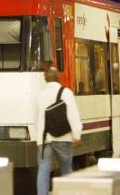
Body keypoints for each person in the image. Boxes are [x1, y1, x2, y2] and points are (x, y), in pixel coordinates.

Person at [36, 66, 82, 195]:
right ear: (58, 77)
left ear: (45, 79)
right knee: (66, 169)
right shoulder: (66, 92)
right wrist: (77, 135)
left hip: (44, 140)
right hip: (63, 138)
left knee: (43, 169)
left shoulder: (40, 94)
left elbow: (37, 118)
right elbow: (72, 114)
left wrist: (38, 139)